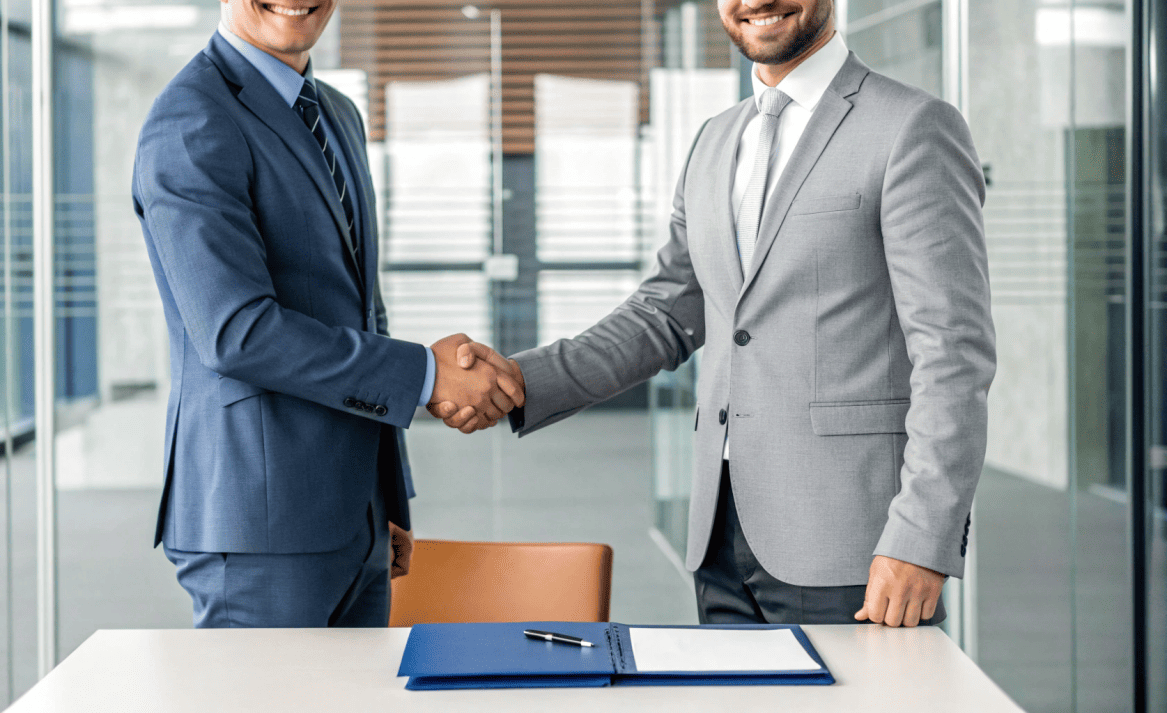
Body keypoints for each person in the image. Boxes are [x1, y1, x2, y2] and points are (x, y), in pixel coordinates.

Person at [436, 0, 995, 628]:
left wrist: (921, 536)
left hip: (854, 542)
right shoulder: (715, 139)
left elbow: (953, 353)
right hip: (720, 537)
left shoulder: (912, 126)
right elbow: (665, 313)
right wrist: (519, 381)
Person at [132, 0, 521, 628]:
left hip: (356, 517)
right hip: (262, 526)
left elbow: (362, 311)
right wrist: (426, 376)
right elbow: (237, 332)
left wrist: (386, 500)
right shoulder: (192, 116)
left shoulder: (336, 113)